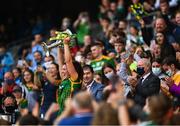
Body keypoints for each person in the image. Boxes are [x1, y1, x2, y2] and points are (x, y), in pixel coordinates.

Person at [57, 37, 83, 115]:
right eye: (63, 69)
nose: (62, 71)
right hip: (61, 113)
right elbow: (60, 61)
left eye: (65, 69)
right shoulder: (64, 79)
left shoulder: (75, 79)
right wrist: (59, 45)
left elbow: (68, 61)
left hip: (71, 113)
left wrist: (65, 44)